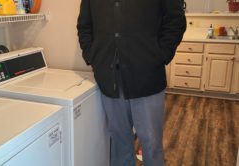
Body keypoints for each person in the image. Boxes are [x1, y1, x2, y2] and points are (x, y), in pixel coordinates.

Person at [77, 0, 186, 165]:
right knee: (119, 141)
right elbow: (84, 25)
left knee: (151, 142)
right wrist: (92, 56)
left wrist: (162, 54)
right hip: (110, 77)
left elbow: (175, 20)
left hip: (147, 77)